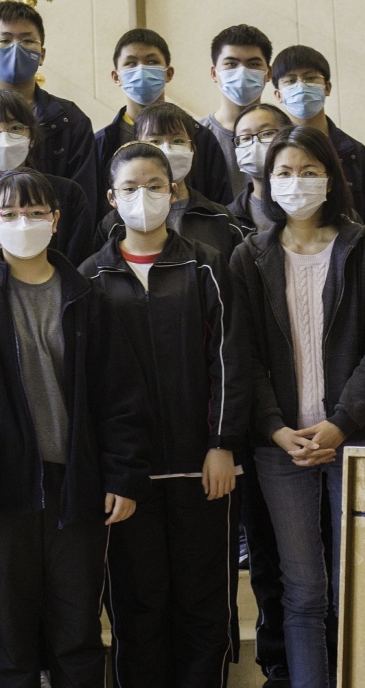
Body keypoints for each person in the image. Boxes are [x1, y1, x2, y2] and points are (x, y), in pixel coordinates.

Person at [0, 167, 145, 688]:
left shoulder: (88, 296)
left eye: (34, 212)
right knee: (11, 631)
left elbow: (118, 396)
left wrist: (123, 475)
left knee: (77, 628)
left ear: (55, 220)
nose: (22, 222)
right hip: (3, 489)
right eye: (9, 213)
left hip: (79, 485)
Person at [230, 127, 365, 688]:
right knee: (302, 591)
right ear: (267, 181)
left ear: (330, 177)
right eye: (284, 172)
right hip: (281, 447)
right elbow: (245, 356)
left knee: (360, 586)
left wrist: (340, 423)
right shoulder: (250, 256)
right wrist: (275, 429)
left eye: (308, 171)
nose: (296, 182)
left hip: (358, 440)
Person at [84, 143, 242, 688]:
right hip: (129, 479)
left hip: (203, 469)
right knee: (138, 608)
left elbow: (229, 359)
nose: (143, 197)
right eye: (130, 188)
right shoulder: (91, 277)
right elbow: (89, 386)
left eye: (154, 185)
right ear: (112, 198)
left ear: (174, 191)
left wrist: (221, 443)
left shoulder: (207, 265)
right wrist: (110, 469)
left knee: (203, 605)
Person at [223, 98, 295, 683]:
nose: (257, 146)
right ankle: (277, 665)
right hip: (256, 417)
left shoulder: (346, 235)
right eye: (245, 137)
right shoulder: (227, 227)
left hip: (325, 418)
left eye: (268, 134)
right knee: (269, 558)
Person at [0, 1, 100, 225]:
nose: (16, 48)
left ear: (42, 54)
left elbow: (83, 200)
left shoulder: (69, 120)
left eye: (27, 41)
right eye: (5, 41)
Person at [0, 87, 93, 266]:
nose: (4, 137)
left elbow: (79, 264)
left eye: (16, 128)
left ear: (32, 138)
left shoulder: (68, 195)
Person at [94, 103, 246, 261]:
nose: (166, 149)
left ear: (192, 149)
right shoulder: (114, 223)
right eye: (155, 141)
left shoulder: (220, 218)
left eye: (178, 141)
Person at [93, 31, 230, 204]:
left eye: (152, 62)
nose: (141, 70)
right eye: (131, 63)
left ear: (169, 73)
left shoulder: (199, 137)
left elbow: (220, 202)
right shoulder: (101, 144)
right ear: (116, 77)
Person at [270, 45, 365, 230]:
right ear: (278, 95)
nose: (301, 86)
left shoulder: (354, 154)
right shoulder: (271, 152)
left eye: (310, 78)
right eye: (290, 81)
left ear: (327, 87)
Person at [201, 25, 273, 194]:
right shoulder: (197, 135)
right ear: (214, 73)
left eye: (253, 64)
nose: (242, 72)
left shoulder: (285, 134)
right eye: (231, 64)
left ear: (268, 73)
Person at [229, 101, 291, 236]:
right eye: (245, 138)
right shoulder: (229, 218)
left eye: (267, 133)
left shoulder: (310, 202)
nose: (255, 143)